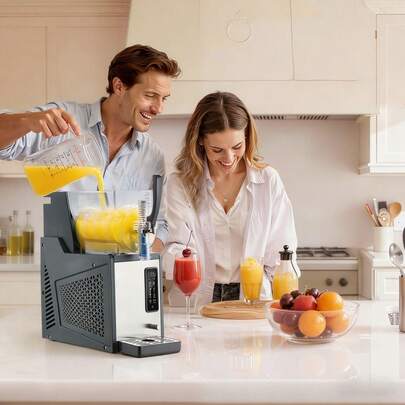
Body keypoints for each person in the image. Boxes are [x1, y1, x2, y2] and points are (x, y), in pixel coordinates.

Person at [0, 44, 181, 251]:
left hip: (124, 268)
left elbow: (159, 224)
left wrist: (143, 262)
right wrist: (27, 121)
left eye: (164, 98)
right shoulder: (64, 121)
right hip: (66, 267)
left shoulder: (152, 156)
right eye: (150, 95)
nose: (159, 108)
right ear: (119, 86)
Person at [162, 91, 299, 306]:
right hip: (195, 301)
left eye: (237, 147)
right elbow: (175, 246)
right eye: (217, 149)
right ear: (200, 142)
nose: (229, 158)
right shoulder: (180, 184)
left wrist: (284, 305)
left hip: (253, 300)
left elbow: (281, 252)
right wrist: (178, 256)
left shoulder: (267, 181)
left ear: (247, 138)